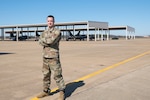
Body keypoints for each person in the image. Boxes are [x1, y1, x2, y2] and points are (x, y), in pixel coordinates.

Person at [37, 15, 66, 100]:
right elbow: (39, 41)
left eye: (51, 21)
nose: (50, 22)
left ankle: (62, 92)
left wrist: (43, 40)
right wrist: (44, 40)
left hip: (53, 57)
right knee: (45, 75)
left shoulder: (57, 31)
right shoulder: (44, 32)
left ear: (54, 22)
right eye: (48, 21)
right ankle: (46, 91)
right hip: (45, 56)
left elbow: (50, 41)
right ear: (47, 22)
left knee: (57, 75)